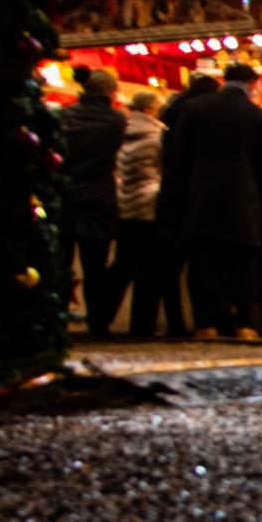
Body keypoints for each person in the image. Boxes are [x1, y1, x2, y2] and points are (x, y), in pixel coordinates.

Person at [173, 62, 262, 339]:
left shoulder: (194, 109)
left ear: (223, 80)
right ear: (252, 85)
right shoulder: (260, 117)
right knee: (243, 262)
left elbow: (178, 159)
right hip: (243, 198)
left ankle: (207, 323)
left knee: (204, 262)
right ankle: (246, 324)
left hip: (202, 196)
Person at [60, 67, 126, 338]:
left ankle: (57, 320)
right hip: (98, 193)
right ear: (110, 92)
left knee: (61, 261)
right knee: (95, 265)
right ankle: (98, 323)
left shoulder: (64, 116)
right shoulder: (115, 121)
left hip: (66, 192)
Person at [151, 70, 217, 337]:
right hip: (193, 199)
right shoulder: (199, 121)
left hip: (170, 198)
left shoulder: (171, 116)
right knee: (198, 265)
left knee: (169, 267)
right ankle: (202, 321)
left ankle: (175, 322)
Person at [109, 88, 166, 338]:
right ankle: (142, 325)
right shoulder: (158, 135)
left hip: (124, 204)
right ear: (148, 110)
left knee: (122, 265)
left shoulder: (122, 131)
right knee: (149, 270)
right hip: (149, 205)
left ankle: (102, 316)